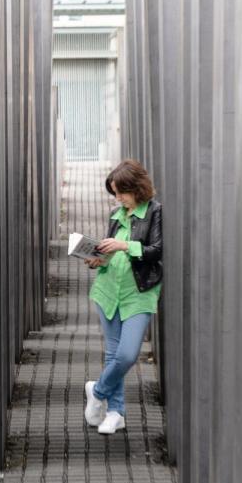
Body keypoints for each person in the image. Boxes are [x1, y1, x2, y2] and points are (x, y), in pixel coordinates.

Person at [83, 159, 163, 435]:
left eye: (122, 192)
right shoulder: (117, 215)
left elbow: (156, 250)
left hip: (139, 292)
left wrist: (124, 244)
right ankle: (115, 413)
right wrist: (98, 260)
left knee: (127, 354)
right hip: (108, 288)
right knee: (113, 353)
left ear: (137, 188)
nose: (118, 198)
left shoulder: (155, 212)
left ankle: (98, 390)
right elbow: (110, 252)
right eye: (115, 193)